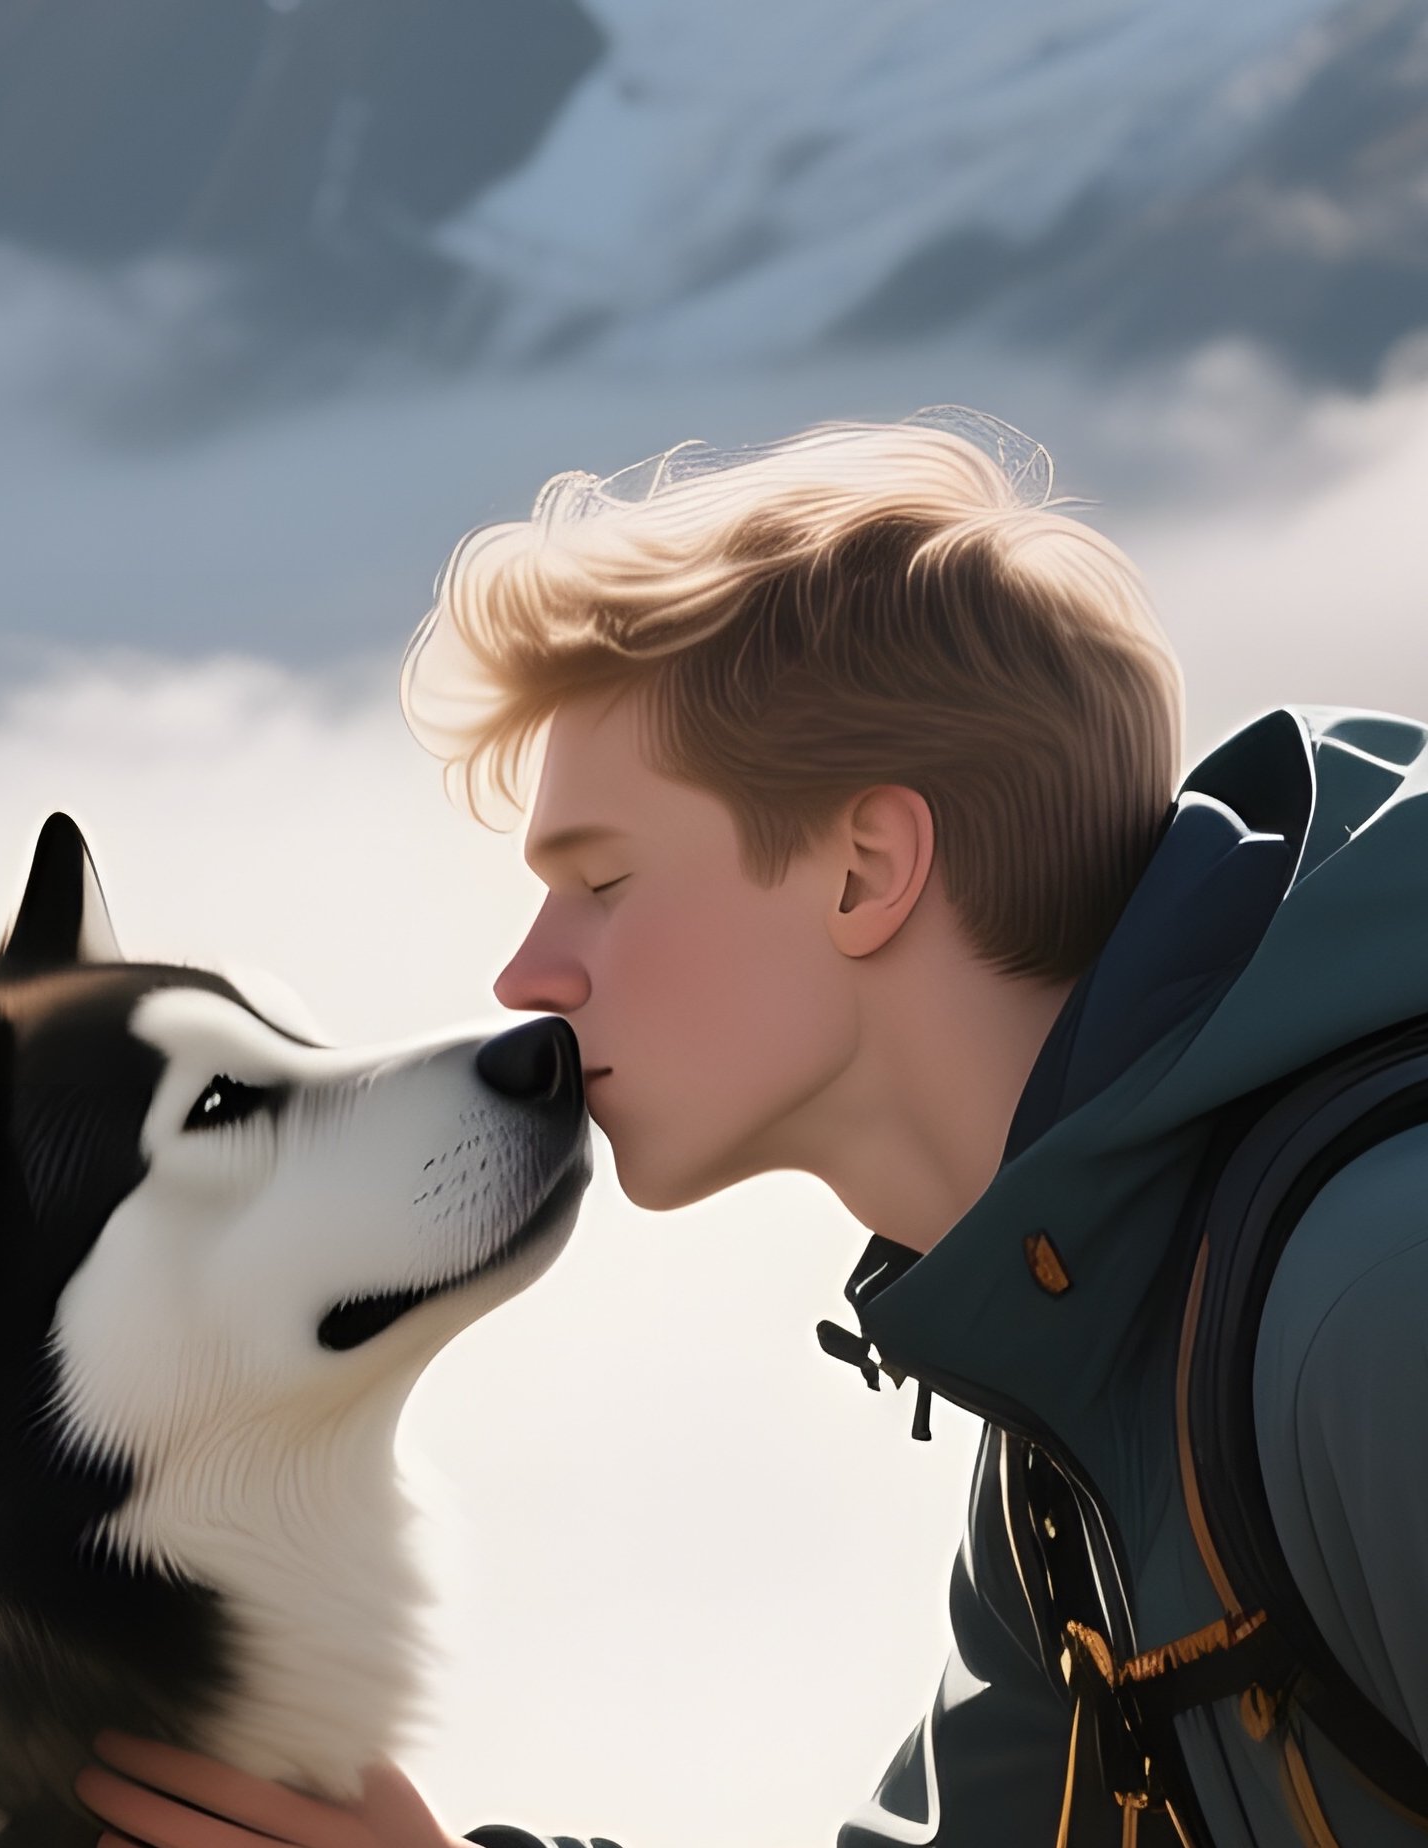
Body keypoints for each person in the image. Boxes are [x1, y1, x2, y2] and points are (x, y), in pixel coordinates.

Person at [75, 414, 1428, 1848]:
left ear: (865, 873)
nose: (527, 976)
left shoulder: (1368, 1309)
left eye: (598, 882)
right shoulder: (1080, 1379)